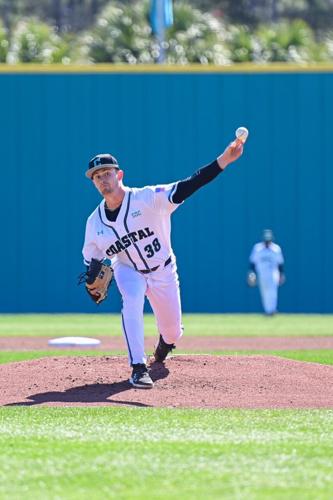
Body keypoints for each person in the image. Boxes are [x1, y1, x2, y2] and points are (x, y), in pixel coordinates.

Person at [82, 136, 244, 389]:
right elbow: (91, 259)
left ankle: (165, 344)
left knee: (172, 331)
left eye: (107, 173)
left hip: (163, 270)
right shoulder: (94, 223)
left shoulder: (148, 198)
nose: (103, 179)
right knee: (131, 300)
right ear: (93, 183)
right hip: (127, 269)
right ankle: (137, 366)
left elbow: (191, 184)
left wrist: (224, 160)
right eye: (97, 176)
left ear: (120, 174)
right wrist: (91, 273)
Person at [248, 229, 285, 316]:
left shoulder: (276, 249)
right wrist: (251, 273)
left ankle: (272, 310)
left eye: (269, 240)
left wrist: (281, 274)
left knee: (273, 292)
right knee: (264, 292)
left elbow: (280, 263)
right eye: (266, 240)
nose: (267, 242)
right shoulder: (258, 248)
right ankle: (267, 310)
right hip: (261, 273)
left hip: (273, 273)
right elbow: (252, 262)